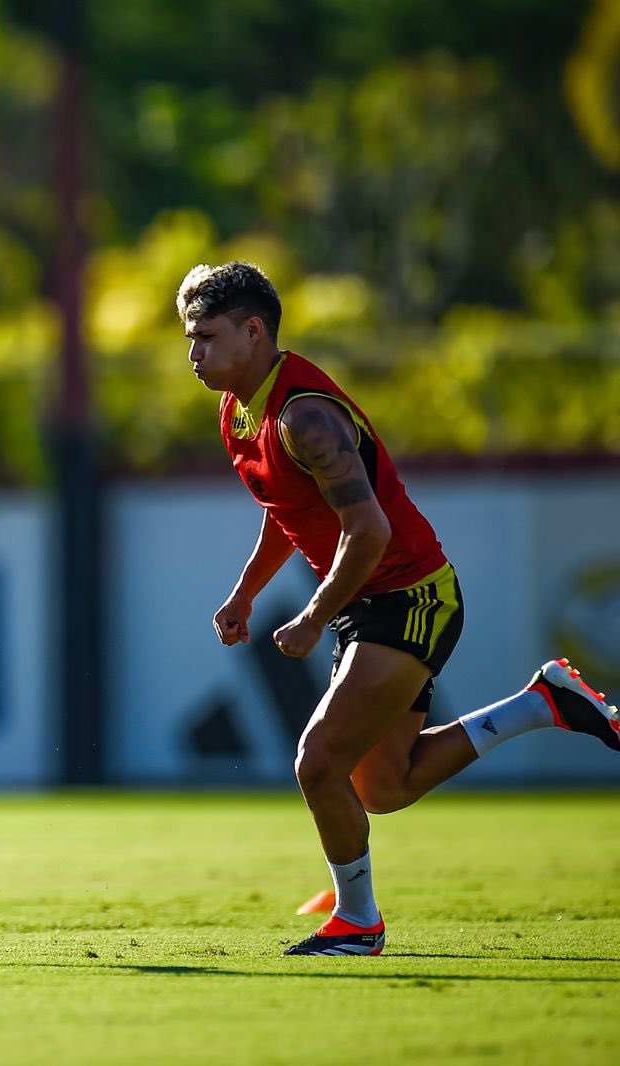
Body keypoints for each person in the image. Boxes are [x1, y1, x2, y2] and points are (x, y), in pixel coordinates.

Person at [177, 261, 620, 957]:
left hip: (410, 595)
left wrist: (316, 614)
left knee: (317, 763)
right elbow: (288, 509)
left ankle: (358, 923)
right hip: (373, 598)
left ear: (254, 331)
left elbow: (370, 530)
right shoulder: (240, 410)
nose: (193, 353)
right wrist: (246, 592)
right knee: (381, 787)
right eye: (189, 338)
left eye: (205, 336)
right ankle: (543, 704)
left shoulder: (305, 415)